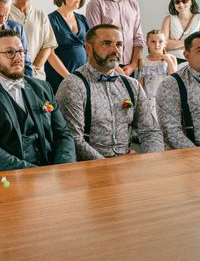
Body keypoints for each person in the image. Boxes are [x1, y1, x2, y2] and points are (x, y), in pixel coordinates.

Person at [0, 30, 75, 172]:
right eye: (10, 52)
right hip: (8, 177)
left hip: (52, 169)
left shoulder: (42, 87)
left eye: (20, 51)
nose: (18, 57)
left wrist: (63, 167)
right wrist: (34, 173)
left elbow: (62, 133)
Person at [56, 24, 164, 160]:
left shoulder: (132, 85)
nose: (115, 50)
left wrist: (151, 161)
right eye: (107, 44)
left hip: (127, 166)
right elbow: (74, 139)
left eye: (119, 44)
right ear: (88, 49)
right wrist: (109, 166)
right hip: (87, 169)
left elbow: (150, 131)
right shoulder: (73, 86)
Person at [86, 0, 144, 76]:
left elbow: (138, 38)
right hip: (105, 67)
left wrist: (133, 65)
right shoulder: (96, 4)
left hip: (130, 67)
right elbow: (95, 40)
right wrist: (116, 69)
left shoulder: (133, 4)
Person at [8, 0, 57, 80]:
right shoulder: (6, 14)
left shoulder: (40, 14)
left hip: (37, 76)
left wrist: (34, 68)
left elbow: (48, 45)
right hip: (12, 75)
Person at [156, 31, 200, 148]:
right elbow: (170, 131)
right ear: (186, 55)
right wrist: (196, 155)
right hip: (189, 157)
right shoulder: (171, 84)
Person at [45, 0, 91, 93]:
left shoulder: (82, 19)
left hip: (82, 75)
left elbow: (90, 46)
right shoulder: (50, 19)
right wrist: (69, 77)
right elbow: (50, 54)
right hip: (59, 75)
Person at [137, 29, 176, 118]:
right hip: (149, 99)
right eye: (153, 42)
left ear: (165, 43)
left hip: (166, 98)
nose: (157, 45)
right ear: (147, 43)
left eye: (160, 41)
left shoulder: (171, 58)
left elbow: (173, 80)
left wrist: (169, 61)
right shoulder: (143, 61)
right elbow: (141, 82)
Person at [161, 0, 200, 64]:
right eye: (177, 2)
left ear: (191, 2)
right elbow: (164, 44)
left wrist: (173, 43)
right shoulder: (168, 19)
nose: (181, 4)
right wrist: (190, 43)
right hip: (171, 60)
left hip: (194, 61)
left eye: (184, 1)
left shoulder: (199, 19)